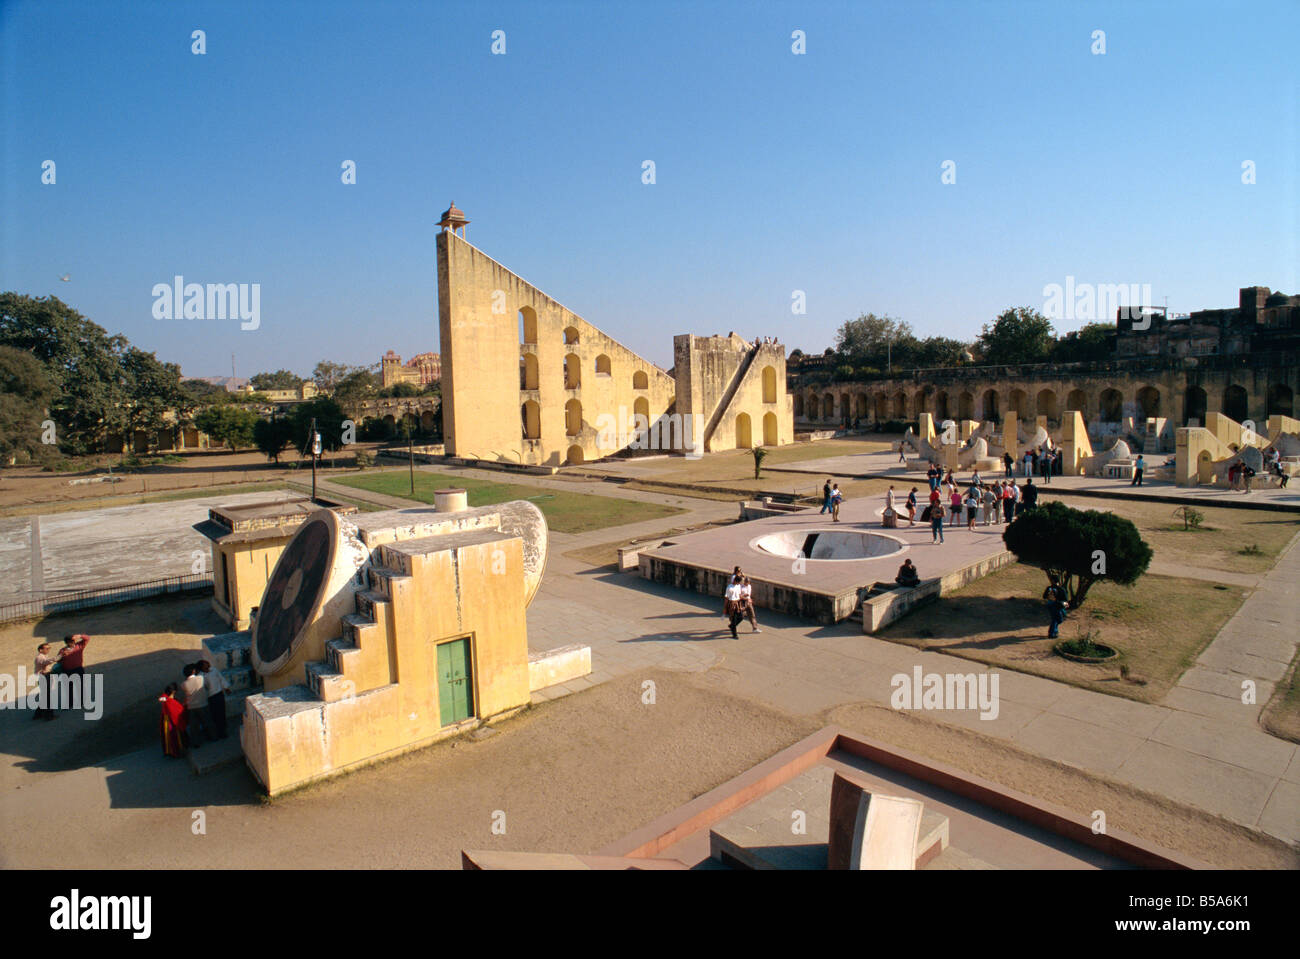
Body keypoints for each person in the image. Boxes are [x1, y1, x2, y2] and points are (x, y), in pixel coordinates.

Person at [180, 664, 212, 748]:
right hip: (203, 703)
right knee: (207, 721)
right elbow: (207, 686)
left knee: (194, 726)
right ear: (193, 671)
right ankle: (212, 736)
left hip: (192, 706)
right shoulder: (201, 678)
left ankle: (196, 742)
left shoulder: (184, 684)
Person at [200, 660, 230, 739]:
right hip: (210, 697)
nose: (208, 666)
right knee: (214, 715)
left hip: (219, 694)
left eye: (208, 664)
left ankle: (223, 731)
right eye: (205, 665)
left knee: (221, 713)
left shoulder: (214, 670)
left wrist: (226, 688)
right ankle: (217, 732)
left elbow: (221, 679)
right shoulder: (201, 676)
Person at [159, 684, 187, 757]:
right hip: (172, 720)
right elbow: (178, 711)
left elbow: (161, 699)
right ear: (173, 691)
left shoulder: (165, 698)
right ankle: (178, 751)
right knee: (175, 737)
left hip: (166, 720)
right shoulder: (170, 702)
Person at [32, 643, 58, 721]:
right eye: (47, 648)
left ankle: (38, 714)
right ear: (41, 650)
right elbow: (47, 662)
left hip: (45, 676)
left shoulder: (42, 657)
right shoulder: (40, 658)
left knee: (45, 697)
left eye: (49, 648)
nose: (48, 650)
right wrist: (59, 657)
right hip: (44, 677)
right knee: (47, 697)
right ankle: (49, 716)